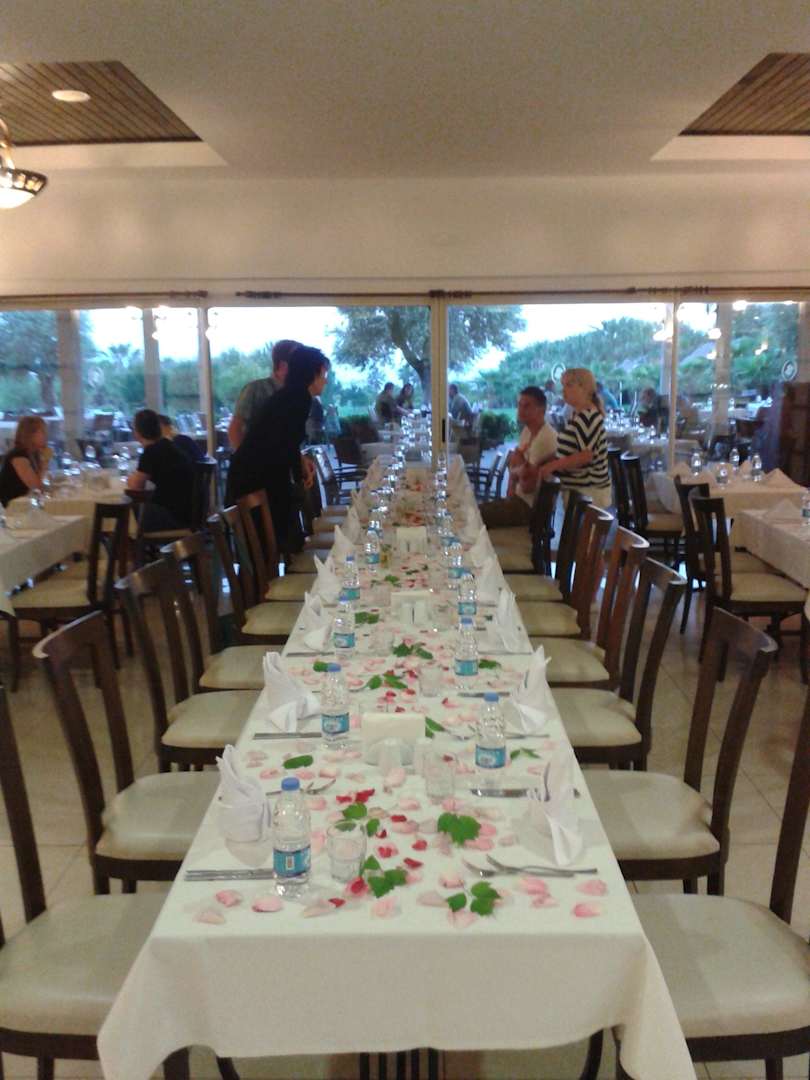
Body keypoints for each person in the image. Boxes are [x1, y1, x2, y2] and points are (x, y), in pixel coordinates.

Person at [226, 346, 330, 551]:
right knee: (265, 546)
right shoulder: (298, 398)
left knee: (270, 545)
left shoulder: (291, 395)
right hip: (254, 479)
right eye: (323, 375)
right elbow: (286, 443)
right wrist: (298, 478)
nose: (325, 381)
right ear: (312, 374)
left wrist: (299, 469)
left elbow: (285, 439)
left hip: (254, 475)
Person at [480, 386, 558, 528]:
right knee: (472, 511)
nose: (521, 410)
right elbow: (514, 466)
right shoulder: (527, 431)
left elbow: (527, 485)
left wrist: (518, 464)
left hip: (530, 510)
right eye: (519, 405)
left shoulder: (545, 438)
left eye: (527, 406)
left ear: (542, 409)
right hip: (517, 500)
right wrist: (519, 471)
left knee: (474, 515)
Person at [538, 368, 611, 508]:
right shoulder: (578, 415)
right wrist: (548, 460)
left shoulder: (587, 416)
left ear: (585, 388)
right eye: (563, 385)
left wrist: (553, 466)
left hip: (589, 493)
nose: (563, 390)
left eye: (569, 385)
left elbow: (586, 456)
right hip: (579, 492)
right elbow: (572, 450)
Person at [127, 408, 195, 530]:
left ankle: (124, 542)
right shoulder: (169, 445)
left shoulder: (151, 452)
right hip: (188, 512)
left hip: (172, 517)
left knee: (125, 509)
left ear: (137, 433)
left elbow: (136, 487)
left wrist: (130, 478)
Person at [227, 338, 301, 449]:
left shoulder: (297, 394)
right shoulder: (255, 390)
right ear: (283, 365)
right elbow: (235, 429)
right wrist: (245, 456)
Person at [0, 416, 50, 507]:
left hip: (27, 502)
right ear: (30, 435)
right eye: (42, 432)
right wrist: (45, 460)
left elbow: (42, 484)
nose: (46, 435)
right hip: (14, 506)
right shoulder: (18, 456)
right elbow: (36, 487)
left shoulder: (33, 453)